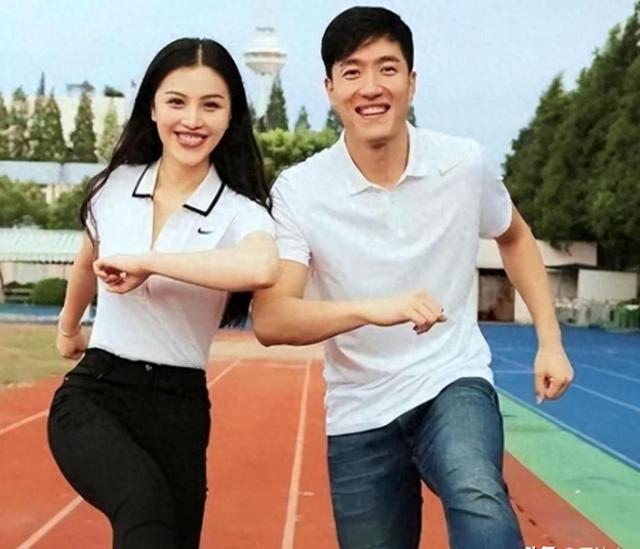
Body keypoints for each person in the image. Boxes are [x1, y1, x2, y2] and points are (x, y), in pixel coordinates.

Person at [251, 7, 574, 549]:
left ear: (412, 81)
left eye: (387, 68)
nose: (370, 87)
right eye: (352, 72)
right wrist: (371, 309)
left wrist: (551, 340)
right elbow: (272, 318)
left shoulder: (462, 165)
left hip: (450, 379)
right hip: (359, 409)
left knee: (476, 491)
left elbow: (515, 236)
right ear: (330, 89)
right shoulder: (299, 191)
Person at [47, 37, 277, 549]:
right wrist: (68, 329)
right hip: (97, 393)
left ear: (231, 116)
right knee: (144, 511)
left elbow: (262, 267)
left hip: (180, 408)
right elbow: (87, 258)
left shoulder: (242, 212)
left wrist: (149, 262)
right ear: (151, 107)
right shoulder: (114, 186)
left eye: (211, 105)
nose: (192, 120)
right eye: (176, 101)